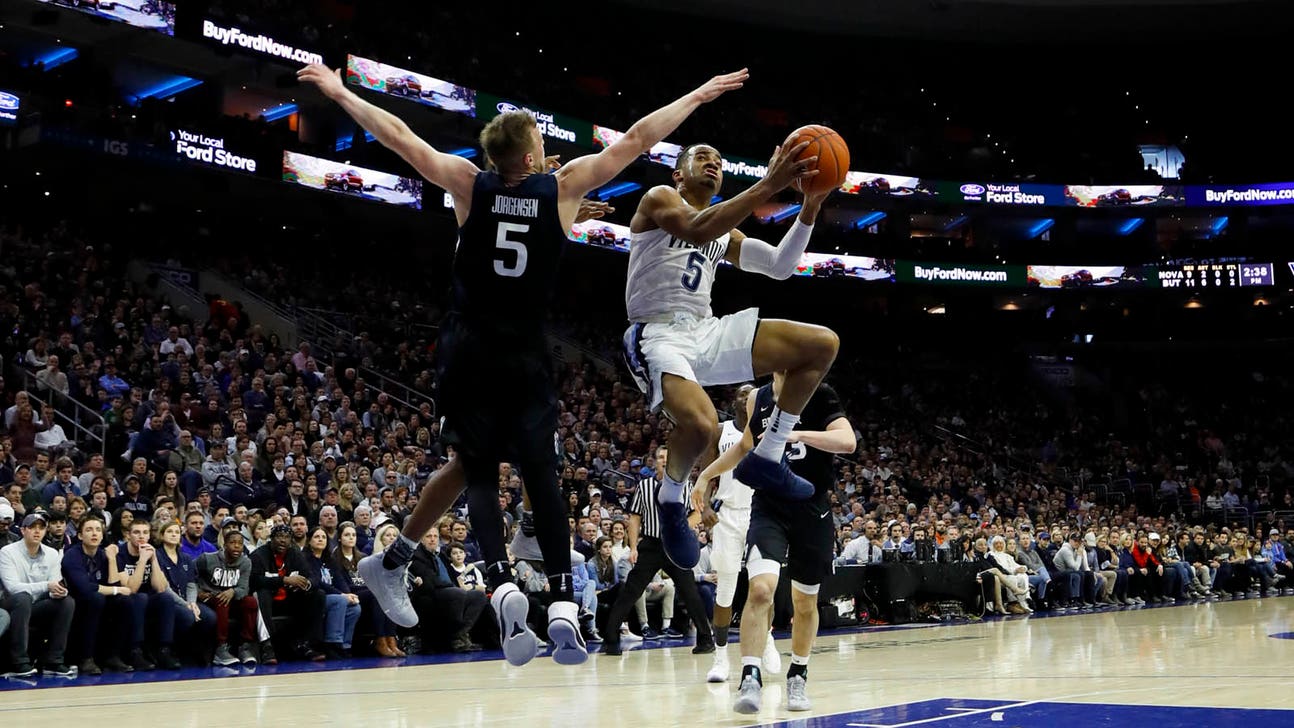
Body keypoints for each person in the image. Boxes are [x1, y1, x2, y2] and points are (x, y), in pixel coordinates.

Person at [298, 59, 751, 669]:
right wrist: (697, 91)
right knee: (538, 470)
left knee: (472, 466)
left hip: (468, 347)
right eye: (541, 140)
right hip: (524, 354)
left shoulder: (469, 182)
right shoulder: (562, 188)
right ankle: (556, 597)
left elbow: (399, 135)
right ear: (535, 158)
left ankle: (463, 574)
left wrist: (337, 90)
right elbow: (642, 137)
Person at [621, 137, 840, 571]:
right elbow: (697, 227)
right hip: (658, 334)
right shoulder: (660, 198)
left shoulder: (725, 228)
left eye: (719, 159)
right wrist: (768, 184)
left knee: (821, 344)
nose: (713, 163)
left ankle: (769, 454)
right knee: (702, 425)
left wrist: (810, 207)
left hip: (705, 330)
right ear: (678, 173)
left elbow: (779, 265)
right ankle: (670, 500)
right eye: (702, 156)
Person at [700, 375, 854, 714]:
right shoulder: (758, 398)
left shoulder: (820, 393)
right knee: (760, 590)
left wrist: (796, 434)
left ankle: (798, 673)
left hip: (811, 508)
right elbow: (744, 447)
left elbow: (847, 441)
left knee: (804, 603)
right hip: (768, 506)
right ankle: (750, 676)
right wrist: (704, 476)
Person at [694, 385, 780, 682]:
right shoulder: (720, 431)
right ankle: (720, 658)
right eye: (741, 394)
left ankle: (766, 639)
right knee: (726, 589)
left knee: (764, 588)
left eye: (750, 394)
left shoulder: (770, 428)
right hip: (728, 515)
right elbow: (706, 470)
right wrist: (704, 506)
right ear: (735, 402)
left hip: (762, 514)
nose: (746, 398)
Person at [601, 446, 716, 657]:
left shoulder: (686, 486)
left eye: (668, 457)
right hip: (652, 545)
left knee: (689, 591)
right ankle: (610, 639)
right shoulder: (644, 486)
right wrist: (634, 546)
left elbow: (697, 514)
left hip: (676, 546)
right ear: (654, 462)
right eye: (661, 457)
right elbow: (635, 517)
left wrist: (681, 529)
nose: (664, 460)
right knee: (631, 590)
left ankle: (705, 639)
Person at [0, 513, 76, 677]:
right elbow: (13, 588)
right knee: (23, 597)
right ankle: (18, 662)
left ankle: (53, 660)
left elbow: (54, 583)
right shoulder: (7, 552)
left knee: (67, 602)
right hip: (11, 606)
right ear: (22, 530)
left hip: (36, 606)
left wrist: (58, 592)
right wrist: (47, 586)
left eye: (41, 527)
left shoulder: (52, 554)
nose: (37, 531)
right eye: (32, 527)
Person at [196, 529, 259, 666]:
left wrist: (233, 591)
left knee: (251, 602)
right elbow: (191, 575)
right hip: (210, 598)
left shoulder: (245, 562)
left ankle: (244, 646)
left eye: (240, 544)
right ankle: (221, 648)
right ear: (224, 544)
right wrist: (197, 591)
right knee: (222, 599)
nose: (237, 546)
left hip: (232, 599)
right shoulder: (207, 558)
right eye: (232, 543)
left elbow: (244, 589)